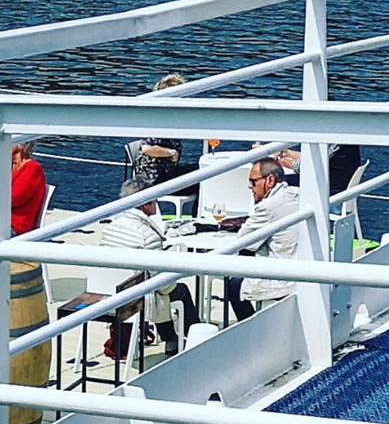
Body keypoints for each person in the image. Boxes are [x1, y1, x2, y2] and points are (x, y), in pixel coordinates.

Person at [100, 180, 201, 356]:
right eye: (154, 199)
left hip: (109, 291)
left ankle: (171, 338)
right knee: (177, 290)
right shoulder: (148, 236)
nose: (156, 203)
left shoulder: (109, 229)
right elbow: (162, 285)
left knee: (158, 289)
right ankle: (194, 339)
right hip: (135, 297)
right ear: (146, 203)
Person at [224, 159, 300, 322]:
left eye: (253, 181)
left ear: (270, 180)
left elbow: (244, 241)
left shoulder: (268, 207)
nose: (249, 186)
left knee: (233, 286)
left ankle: (251, 328)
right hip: (303, 268)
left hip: (283, 278)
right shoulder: (297, 194)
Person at [134, 74, 190, 189]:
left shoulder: (171, 119)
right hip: (155, 179)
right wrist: (172, 153)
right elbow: (146, 148)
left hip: (168, 173)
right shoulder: (158, 120)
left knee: (203, 170)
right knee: (203, 176)